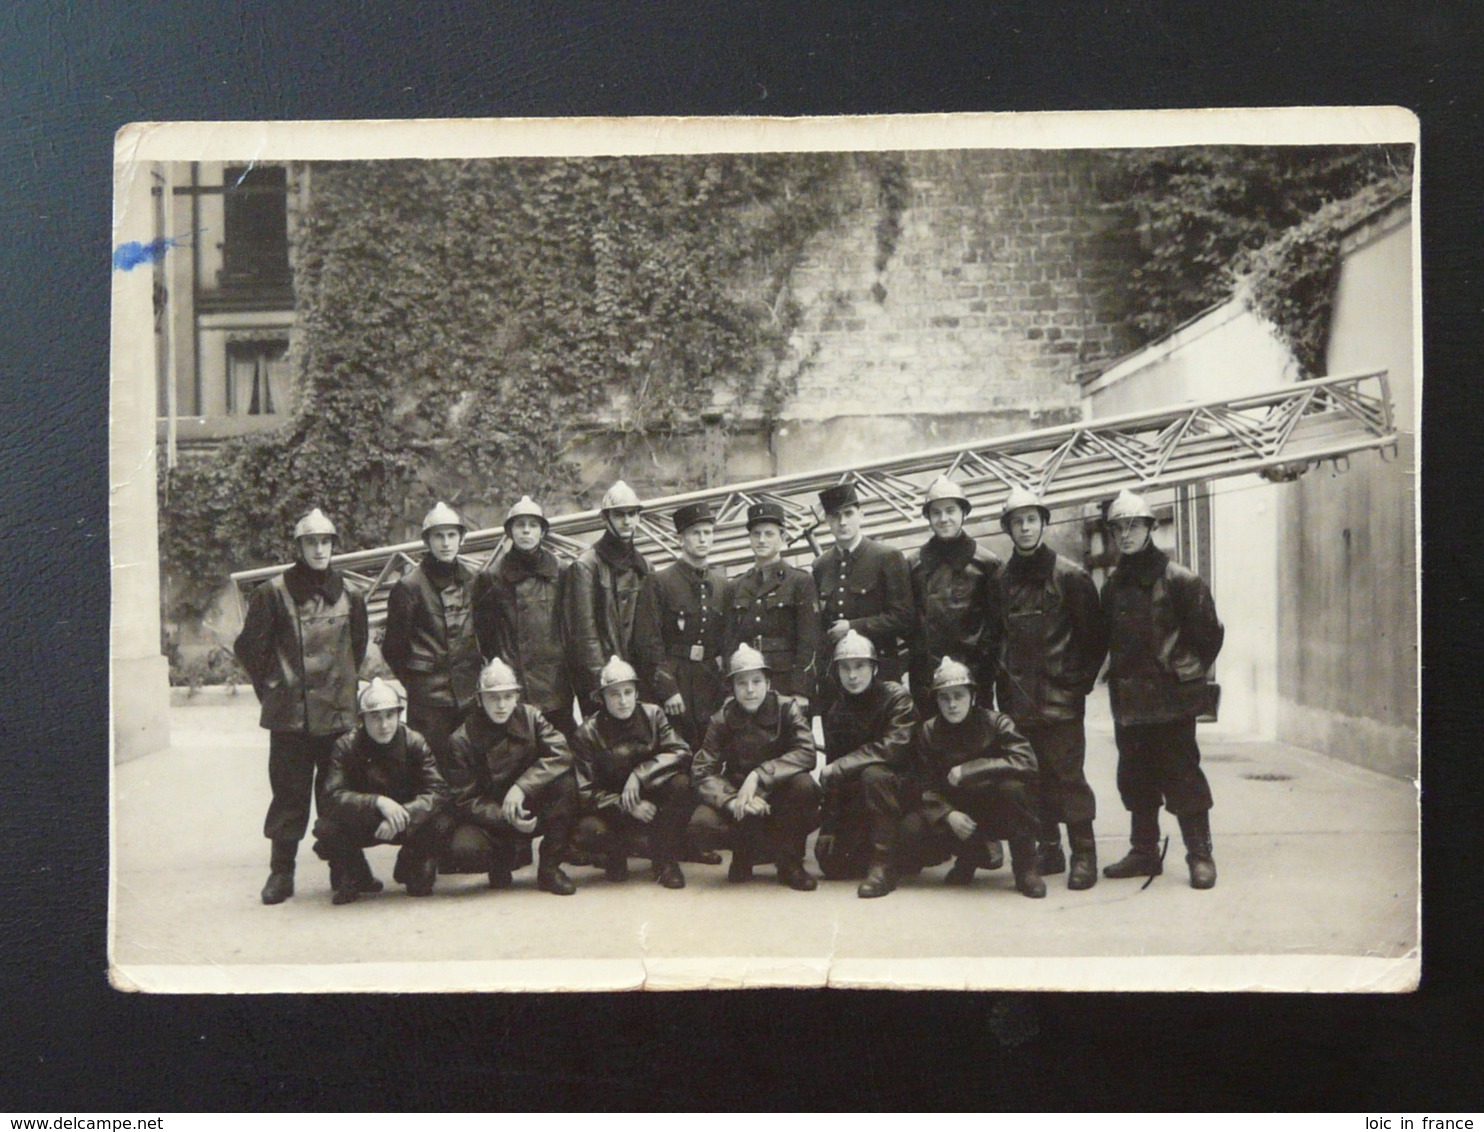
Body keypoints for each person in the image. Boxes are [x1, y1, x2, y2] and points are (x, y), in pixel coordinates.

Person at [234, 507, 369, 905]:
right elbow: (250, 649)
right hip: (290, 717)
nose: (320, 549)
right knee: (289, 795)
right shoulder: (273, 593)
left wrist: (340, 687)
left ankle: (343, 868)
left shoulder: (351, 593)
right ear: (299, 547)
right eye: (312, 542)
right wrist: (275, 688)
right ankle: (281, 871)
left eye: (326, 542)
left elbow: (355, 648)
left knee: (337, 793)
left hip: (337, 715)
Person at [1100, 490, 1225, 890]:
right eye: (1118, 528)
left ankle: (1200, 854)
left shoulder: (1180, 579)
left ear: (1151, 528)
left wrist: (1182, 670)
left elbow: (1210, 634)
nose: (1126, 534)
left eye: (1134, 525)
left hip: (1171, 702)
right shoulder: (1113, 585)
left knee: (1182, 776)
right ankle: (1144, 852)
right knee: (1134, 778)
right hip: (1130, 704)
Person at [995, 487, 1109, 890]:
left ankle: (1084, 854)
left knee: (1068, 777)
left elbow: (1094, 640)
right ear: (1008, 528)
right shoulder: (1002, 580)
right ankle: (1049, 850)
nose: (1024, 528)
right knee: (1030, 777)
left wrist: (1074, 684)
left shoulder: (1071, 576)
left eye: (1031, 520)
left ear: (1043, 523)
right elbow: (997, 639)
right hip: (1018, 703)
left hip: (1060, 701)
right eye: (1017, 521)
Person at [900, 657, 1045, 898]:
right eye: (944, 698)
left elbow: (1027, 762)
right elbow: (922, 783)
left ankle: (1026, 869)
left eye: (959, 696)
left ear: (973, 697)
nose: (952, 704)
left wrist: (971, 769)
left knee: (1015, 789)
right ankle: (970, 857)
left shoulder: (996, 722)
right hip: (958, 811)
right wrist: (947, 814)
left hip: (994, 805)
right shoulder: (928, 731)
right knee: (911, 829)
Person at [310, 677, 456, 904]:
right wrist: (376, 803)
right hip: (368, 821)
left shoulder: (414, 742)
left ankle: (411, 860)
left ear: (399, 715)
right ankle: (356, 872)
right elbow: (331, 796)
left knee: (442, 823)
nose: (384, 724)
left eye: (390, 716)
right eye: (375, 717)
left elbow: (438, 791)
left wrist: (403, 814)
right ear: (362, 720)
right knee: (326, 828)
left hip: (407, 822)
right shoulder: (346, 746)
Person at [689, 644, 821, 891]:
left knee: (805, 787)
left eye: (757, 681)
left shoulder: (786, 708)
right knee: (701, 823)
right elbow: (701, 769)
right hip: (740, 797)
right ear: (732, 687)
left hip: (780, 792)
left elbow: (806, 752)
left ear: (768, 683)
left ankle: (790, 862)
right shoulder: (722, 718)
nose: (750, 690)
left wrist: (759, 776)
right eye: (742, 683)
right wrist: (730, 800)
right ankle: (744, 854)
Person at [444, 657, 579, 895]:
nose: (501, 705)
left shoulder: (531, 717)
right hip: (493, 816)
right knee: (464, 850)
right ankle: (501, 862)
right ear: (479, 699)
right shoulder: (462, 738)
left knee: (566, 785)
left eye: (508, 697)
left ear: (517, 697)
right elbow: (464, 798)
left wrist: (522, 787)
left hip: (531, 805)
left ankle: (549, 868)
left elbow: (562, 752)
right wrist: (506, 816)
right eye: (493, 698)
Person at [570, 657, 695, 889]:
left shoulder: (653, 715)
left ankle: (665, 859)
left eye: (628, 692)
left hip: (652, 799)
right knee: (588, 831)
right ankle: (615, 855)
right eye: (614, 694)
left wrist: (640, 775)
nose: (623, 700)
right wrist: (626, 805)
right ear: (602, 698)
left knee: (681, 784)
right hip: (612, 809)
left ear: (637, 693)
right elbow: (584, 792)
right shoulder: (587, 733)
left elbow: (681, 751)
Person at [381, 501, 482, 778]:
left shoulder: (473, 580)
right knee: (431, 769)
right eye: (438, 536)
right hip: (429, 699)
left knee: (469, 766)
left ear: (461, 538)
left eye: (451, 535)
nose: (446, 543)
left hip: (468, 693)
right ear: (428, 540)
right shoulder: (409, 586)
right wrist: (418, 679)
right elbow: (393, 648)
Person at [815, 630, 918, 899]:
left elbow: (893, 749)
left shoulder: (897, 698)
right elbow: (833, 769)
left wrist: (843, 766)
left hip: (901, 793)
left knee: (875, 774)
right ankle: (885, 853)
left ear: (874, 668)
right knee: (831, 863)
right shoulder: (837, 710)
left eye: (860, 666)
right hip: (862, 799)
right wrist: (829, 827)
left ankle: (883, 866)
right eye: (845, 668)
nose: (852, 675)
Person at [472, 495, 576, 740]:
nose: (526, 531)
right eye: (520, 525)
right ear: (510, 532)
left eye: (533, 525)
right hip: (516, 679)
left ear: (542, 531)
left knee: (560, 743)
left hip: (555, 680)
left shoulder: (561, 571)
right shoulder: (492, 576)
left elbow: (571, 624)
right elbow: (485, 633)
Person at [633, 501, 731, 750]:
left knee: (712, 749)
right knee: (678, 751)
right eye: (695, 533)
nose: (702, 539)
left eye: (707, 532)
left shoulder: (722, 585)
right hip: (676, 681)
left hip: (710, 681)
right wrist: (667, 689)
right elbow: (648, 642)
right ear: (681, 539)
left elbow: (728, 639)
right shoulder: (659, 582)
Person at [907, 475, 1004, 720]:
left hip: (974, 677)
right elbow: (910, 624)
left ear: (963, 512)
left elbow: (997, 628)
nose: (944, 518)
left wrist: (984, 673)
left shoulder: (987, 564)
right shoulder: (913, 565)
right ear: (928, 517)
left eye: (951, 510)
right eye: (936, 512)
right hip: (927, 678)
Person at [724, 500, 823, 710]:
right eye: (756, 534)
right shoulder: (737, 586)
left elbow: (809, 640)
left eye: (769, 534)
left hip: (785, 682)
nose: (761, 540)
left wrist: (801, 690)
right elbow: (729, 643)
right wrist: (729, 690)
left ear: (783, 537)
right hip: (748, 682)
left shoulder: (800, 581)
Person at [565, 480, 651, 708]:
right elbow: (585, 634)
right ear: (606, 518)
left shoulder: (644, 566)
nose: (627, 521)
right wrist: (602, 682)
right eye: (619, 515)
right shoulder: (586, 565)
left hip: (637, 678)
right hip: (602, 681)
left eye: (632, 514)